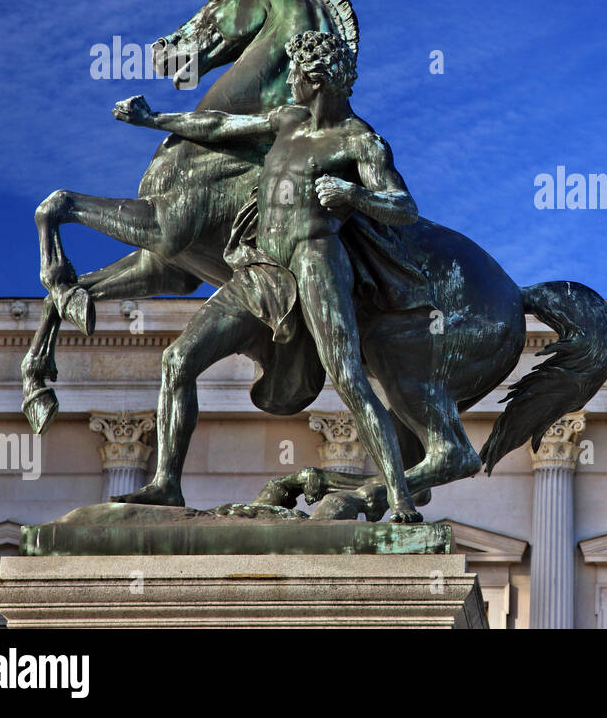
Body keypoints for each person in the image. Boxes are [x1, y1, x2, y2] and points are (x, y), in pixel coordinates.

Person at [111, 31, 424, 521]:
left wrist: (354, 195)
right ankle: (166, 483)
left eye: (296, 73)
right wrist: (154, 120)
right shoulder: (288, 120)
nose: (289, 80)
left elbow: (404, 207)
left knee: (348, 378)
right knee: (178, 360)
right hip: (261, 268)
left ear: (316, 80)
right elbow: (218, 126)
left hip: (315, 262)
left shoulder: (360, 141)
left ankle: (400, 496)